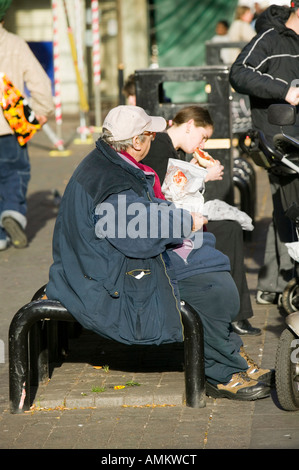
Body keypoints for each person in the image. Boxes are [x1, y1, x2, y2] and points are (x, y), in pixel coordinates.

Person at [45, 104, 272, 400]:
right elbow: (136, 232)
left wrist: (179, 220)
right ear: (137, 141)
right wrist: (184, 221)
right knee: (210, 287)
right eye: (150, 135)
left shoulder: (110, 162)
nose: (154, 139)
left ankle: (229, 354)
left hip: (107, 259)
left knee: (209, 259)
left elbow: (141, 215)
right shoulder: (111, 178)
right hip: (106, 276)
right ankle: (221, 372)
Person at [143, 105, 261, 336]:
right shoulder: (160, 146)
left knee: (229, 228)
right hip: (164, 224)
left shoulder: (173, 149)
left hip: (173, 219)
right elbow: (165, 191)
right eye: (203, 136)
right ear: (189, 126)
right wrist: (203, 176)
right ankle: (236, 314)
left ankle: (235, 312)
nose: (203, 145)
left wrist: (195, 171)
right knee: (229, 230)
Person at [229, 1, 299, 305]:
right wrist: (284, 91)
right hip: (281, 143)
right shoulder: (270, 37)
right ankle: (285, 283)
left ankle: (273, 284)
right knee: (288, 208)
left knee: (285, 209)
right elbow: (238, 73)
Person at [0, 0, 54, 251]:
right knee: (15, 172)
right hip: (11, 123)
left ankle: (1, 236)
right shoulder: (14, 44)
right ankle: (11, 212)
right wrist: (42, 111)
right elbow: (39, 81)